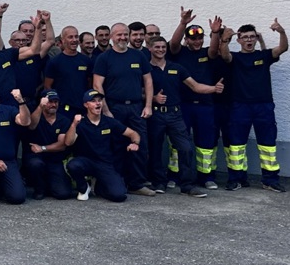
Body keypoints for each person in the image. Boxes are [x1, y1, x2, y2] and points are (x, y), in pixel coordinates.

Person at [146, 35, 221, 198]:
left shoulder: (177, 68)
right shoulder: (145, 69)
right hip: (156, 115)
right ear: (150, 49)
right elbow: (137, 91)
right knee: (155, 150)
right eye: (157, 47)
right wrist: (153, 99)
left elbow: (195, 86)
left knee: (186, 148)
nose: (160, 50)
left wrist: (214, 89)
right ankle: (159, 182)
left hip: (175, 115)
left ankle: (187, 185)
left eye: (163, 47)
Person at [219, 19, 289, 192]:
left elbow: (282, 48)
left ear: (256, 39)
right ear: (239, 40)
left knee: (267, 145)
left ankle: (270, 180)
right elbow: (225, 55)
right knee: (236, 145)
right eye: (245, 37)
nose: (249, 40)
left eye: (252, 37)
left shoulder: (263, 56)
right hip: (240, 106)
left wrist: (281, 32)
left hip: (263, 106)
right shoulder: (235, 57)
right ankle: (237, 179)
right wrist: (224, 40)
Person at [92, 23, 155, 196]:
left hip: (136, 108)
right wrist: (105, 110)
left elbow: (148, 81)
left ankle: (136, 184)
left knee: (139, 145)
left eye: (125, 34)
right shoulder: (104, 58)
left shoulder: (138, 56)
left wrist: (148, 105)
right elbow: (97, 85)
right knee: (116, 145)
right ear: (112, 37)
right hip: (114, 107)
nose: (122, 38)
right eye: (118, 35)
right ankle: (116, 181)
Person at [168, 11, 227, 188]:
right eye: (193, 39)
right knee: (178, 142)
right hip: (183, 105)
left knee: (206, 143)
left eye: (200, 38)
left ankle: (206, 178)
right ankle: (175, 176)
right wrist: (183, 23)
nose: (197, 41)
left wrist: (215, 33)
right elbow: (173, 44)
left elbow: (213, 50)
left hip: (205, 106)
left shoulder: (206, 53)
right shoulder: (179, 52)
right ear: (187, 39)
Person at [64, 89, 142, 203]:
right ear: (86, 105)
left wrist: (135, 143)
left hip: (105, 164)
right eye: (93, 101)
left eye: (100, 100)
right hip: (85, 161)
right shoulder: (81, 123)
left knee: (119, 196)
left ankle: (98, 187)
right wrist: (74, 124)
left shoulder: (109, 122)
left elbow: (133, 133)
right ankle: (84, 187)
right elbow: (68, 142)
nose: (98, 103)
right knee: (73, 165)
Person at [23, 90, 74, 200]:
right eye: (50, 102)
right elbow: (31, 126)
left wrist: (43, 148)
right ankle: (39, 189)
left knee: (63, 194)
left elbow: (62, 145)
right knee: (35, 164)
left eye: (56, 102)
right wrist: (40, 107)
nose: (53, 105)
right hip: (35, 157)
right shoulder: (36, 116)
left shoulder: (63, 120)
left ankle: (50, 184)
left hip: (54, 159)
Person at [43, 25, 92, 113]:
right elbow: (47, 86)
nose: (74, 40)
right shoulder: (55, 62)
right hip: (63, 109)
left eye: (76, 36)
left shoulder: (86, 60)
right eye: (70, 37)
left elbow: (90, 83)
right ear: (63, 40)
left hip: (83, 108)